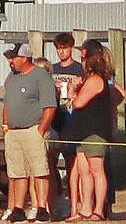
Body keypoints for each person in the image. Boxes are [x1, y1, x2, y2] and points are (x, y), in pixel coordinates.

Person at [2, 43, 57, 223]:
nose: (10, 61)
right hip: (14, 132)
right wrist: (6, 126)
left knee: (40, 170)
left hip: (33, 129)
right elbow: (7, 104)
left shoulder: (41, 76)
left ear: (24, 58)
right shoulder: (11, 77)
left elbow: (49, 106)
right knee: (17, 172)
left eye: (13, 57)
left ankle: (41, 208)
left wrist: (41, 129)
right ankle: (18, 208)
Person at [63, 40, 116, 223]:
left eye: (83, 56)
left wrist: (73, 91)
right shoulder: (88, 79)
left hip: (95, 131)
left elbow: (78, 103)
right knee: (84, 170)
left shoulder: (95, 80)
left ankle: (99, 209)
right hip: (83, 131)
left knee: (96, 169)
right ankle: (85, 208)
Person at [49, 33, 85, 201]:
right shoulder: (52, 70)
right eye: (58, 48)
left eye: (64, 48)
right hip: (54, 119)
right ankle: (55, 199)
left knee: (72, 162)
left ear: (71, 48)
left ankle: (74, 200)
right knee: (50, 161)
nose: (61, 52)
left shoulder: (79, 69)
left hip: (71, 119)